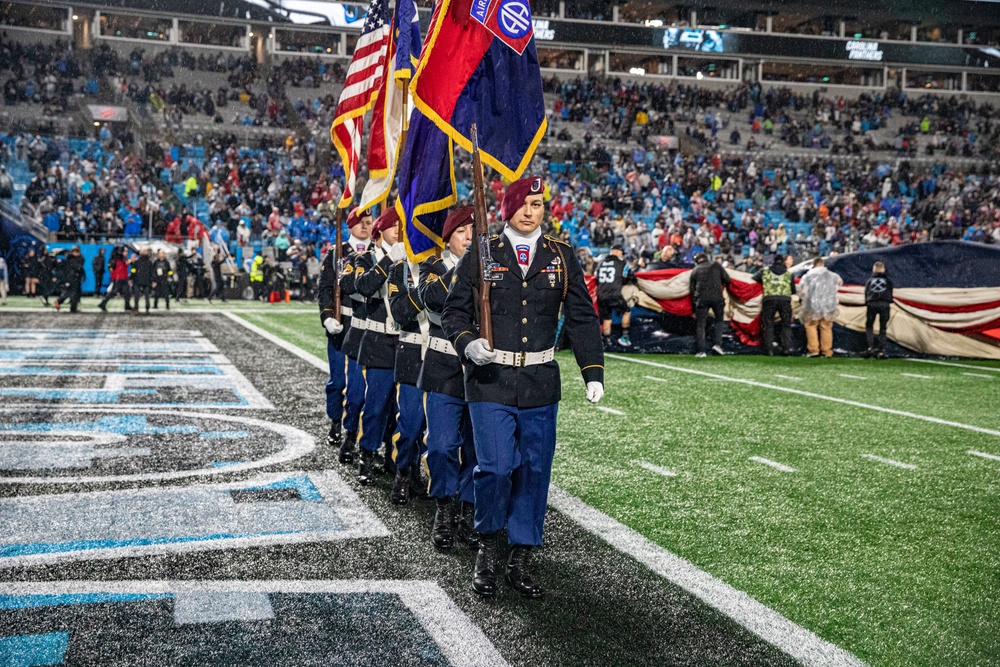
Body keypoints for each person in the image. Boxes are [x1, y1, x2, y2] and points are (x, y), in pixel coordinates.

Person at [443, 176, 605, 599]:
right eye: (524, 203)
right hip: (490, 379)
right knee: (495, 468)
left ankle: (521, 555)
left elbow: (582, 317)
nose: (531, 211)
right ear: (507, 207)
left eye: (538, 203)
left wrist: (593, 372)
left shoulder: (562, 256)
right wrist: (467, 343)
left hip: (539, 382)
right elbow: (454, 313)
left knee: (534, 472)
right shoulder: (483, 254)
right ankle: (488, 547)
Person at [418, 207, 479, 549]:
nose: (469, 237)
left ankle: (469, 511)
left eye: (474, 231)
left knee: (476, 449)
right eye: (462, 232)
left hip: (481, 370)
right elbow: (435, 298)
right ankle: (444, 506)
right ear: (447, 238)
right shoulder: (432, 268)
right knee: (440, 446)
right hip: (443, 368)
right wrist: (467, 267)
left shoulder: (487, 267)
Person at [353, 207, 406, 485]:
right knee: (375, 406)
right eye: (392, 225)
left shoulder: (410, 259)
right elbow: (363, 286)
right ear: (379, 230)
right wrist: (387, 262)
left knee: (404, 411)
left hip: (406, 343)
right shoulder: (365, 258)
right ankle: (366, 454)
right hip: (378, 343)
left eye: (401, 225)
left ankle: (394, 460)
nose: (398, 229)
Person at [321, 207, 373, 462]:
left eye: (369, 221)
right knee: (337, 383)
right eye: (360, 222)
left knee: (357, 387)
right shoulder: (336, 253)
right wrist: (327, 317)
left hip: (365, 326)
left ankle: (351, 432)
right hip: (341, 324)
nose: (365, 226)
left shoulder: (377, 253)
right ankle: (334, 420)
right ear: (349, 225)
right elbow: (324, 289)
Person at [387, 224, 429, 507]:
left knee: (438, 430)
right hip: (413, 350)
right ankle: (404, 471)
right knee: (411, 423)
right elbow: (400, 313)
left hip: (445, 355)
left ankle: (433, 479)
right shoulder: (399, 270)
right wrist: (425, 291)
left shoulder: (445, 268)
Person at [798, 257, 843, 358]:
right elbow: (839, 284)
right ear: (823, 264)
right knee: (826, 327)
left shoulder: (808, 275)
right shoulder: (833, 275)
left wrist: (803, 300)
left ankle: (814, 350)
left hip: (812, 306)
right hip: (829, 306)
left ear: (814, 264)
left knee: (811, 326)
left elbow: (801, 290)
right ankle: (827, 351)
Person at [688, 251, 731, 357]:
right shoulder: (716, 265)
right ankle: (717, 345)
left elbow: (692, 290)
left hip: (701, 299)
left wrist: (695, 304)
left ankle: (701, 351)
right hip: (717, 298)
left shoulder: (695, 270)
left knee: (701, 325)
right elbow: (727, 279)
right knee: (719, 321)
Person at [754, 254, 796, 355]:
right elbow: (793, 290)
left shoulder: (765, 271)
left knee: (768, 325)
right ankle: (786, 348)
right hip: (785, 301)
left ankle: (769, 349)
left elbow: (754, 278)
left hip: (769, 300)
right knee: (786, 324)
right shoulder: (789, 274)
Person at [596, 244, 633, 348]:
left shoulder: (601, 262)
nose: (622, 255)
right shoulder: (621, 263)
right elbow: (629, 275)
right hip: (614, 293)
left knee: (607, 318)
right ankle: (625, 337)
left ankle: (606, 342)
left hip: (601, 294)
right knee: (626, 311)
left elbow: (596, 276)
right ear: (617, 251)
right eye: (621, 252)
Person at [863, 261, 893, 359]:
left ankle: (870, 347)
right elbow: (890, 292)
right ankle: (881, 350)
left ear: (873, 269)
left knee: (869, 325)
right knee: (883, 327)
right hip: (884, 304)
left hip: (872, 303)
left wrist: (867, 302)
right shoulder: (888, 280)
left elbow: (866, 292)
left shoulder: (870, 280)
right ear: (883, 269)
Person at [98, 246, 132, 311]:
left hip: (122, 277)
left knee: (126, 292)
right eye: (125, 251)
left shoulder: (119, 258)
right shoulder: (118, 259)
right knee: (114, 292)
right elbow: (118, 268)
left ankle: (127, 305)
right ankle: (103, 303)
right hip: (119, 278)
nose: (126, 253)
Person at [53, 246, 85, 313]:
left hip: (74, 277)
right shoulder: (72, 259)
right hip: (73, 277)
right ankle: (60, 302)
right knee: (72, 292)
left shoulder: (73, 258)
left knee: (73, 292)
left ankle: (70, 306)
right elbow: (78, 267)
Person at [131, 247, 154, 313]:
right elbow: (152, 272)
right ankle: (147, 308)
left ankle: (136, 308)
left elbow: (133, 270)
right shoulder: (149, 262)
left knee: (137, 295)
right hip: (147, 281)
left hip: (137, 280)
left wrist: (131, 278)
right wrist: (153, 280)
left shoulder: (137, 262)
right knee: (147, 295)